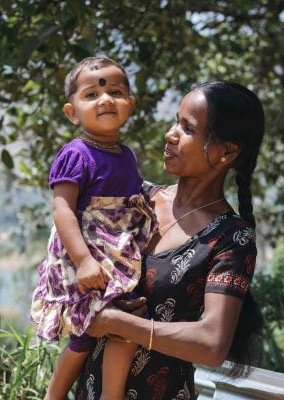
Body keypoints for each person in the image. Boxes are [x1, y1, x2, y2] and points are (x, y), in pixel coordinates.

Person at [73, 80, 265, 399]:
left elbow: (212, 343)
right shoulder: (137, 197)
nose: (170, 134)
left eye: (187, 128)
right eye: (176, 120)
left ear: (227, 152)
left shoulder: (231, 237)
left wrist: (118, 323)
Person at [30, 56, 157, 400]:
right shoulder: (77, 154)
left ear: (129, 105)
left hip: (116, 254)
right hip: (85, 254)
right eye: (92, 94)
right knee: (85, 337)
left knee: (129, 322)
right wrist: (84, 261)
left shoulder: (126, 155)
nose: (105, 99)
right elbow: (62, 209)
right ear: (72, 112)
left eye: (115, 92)